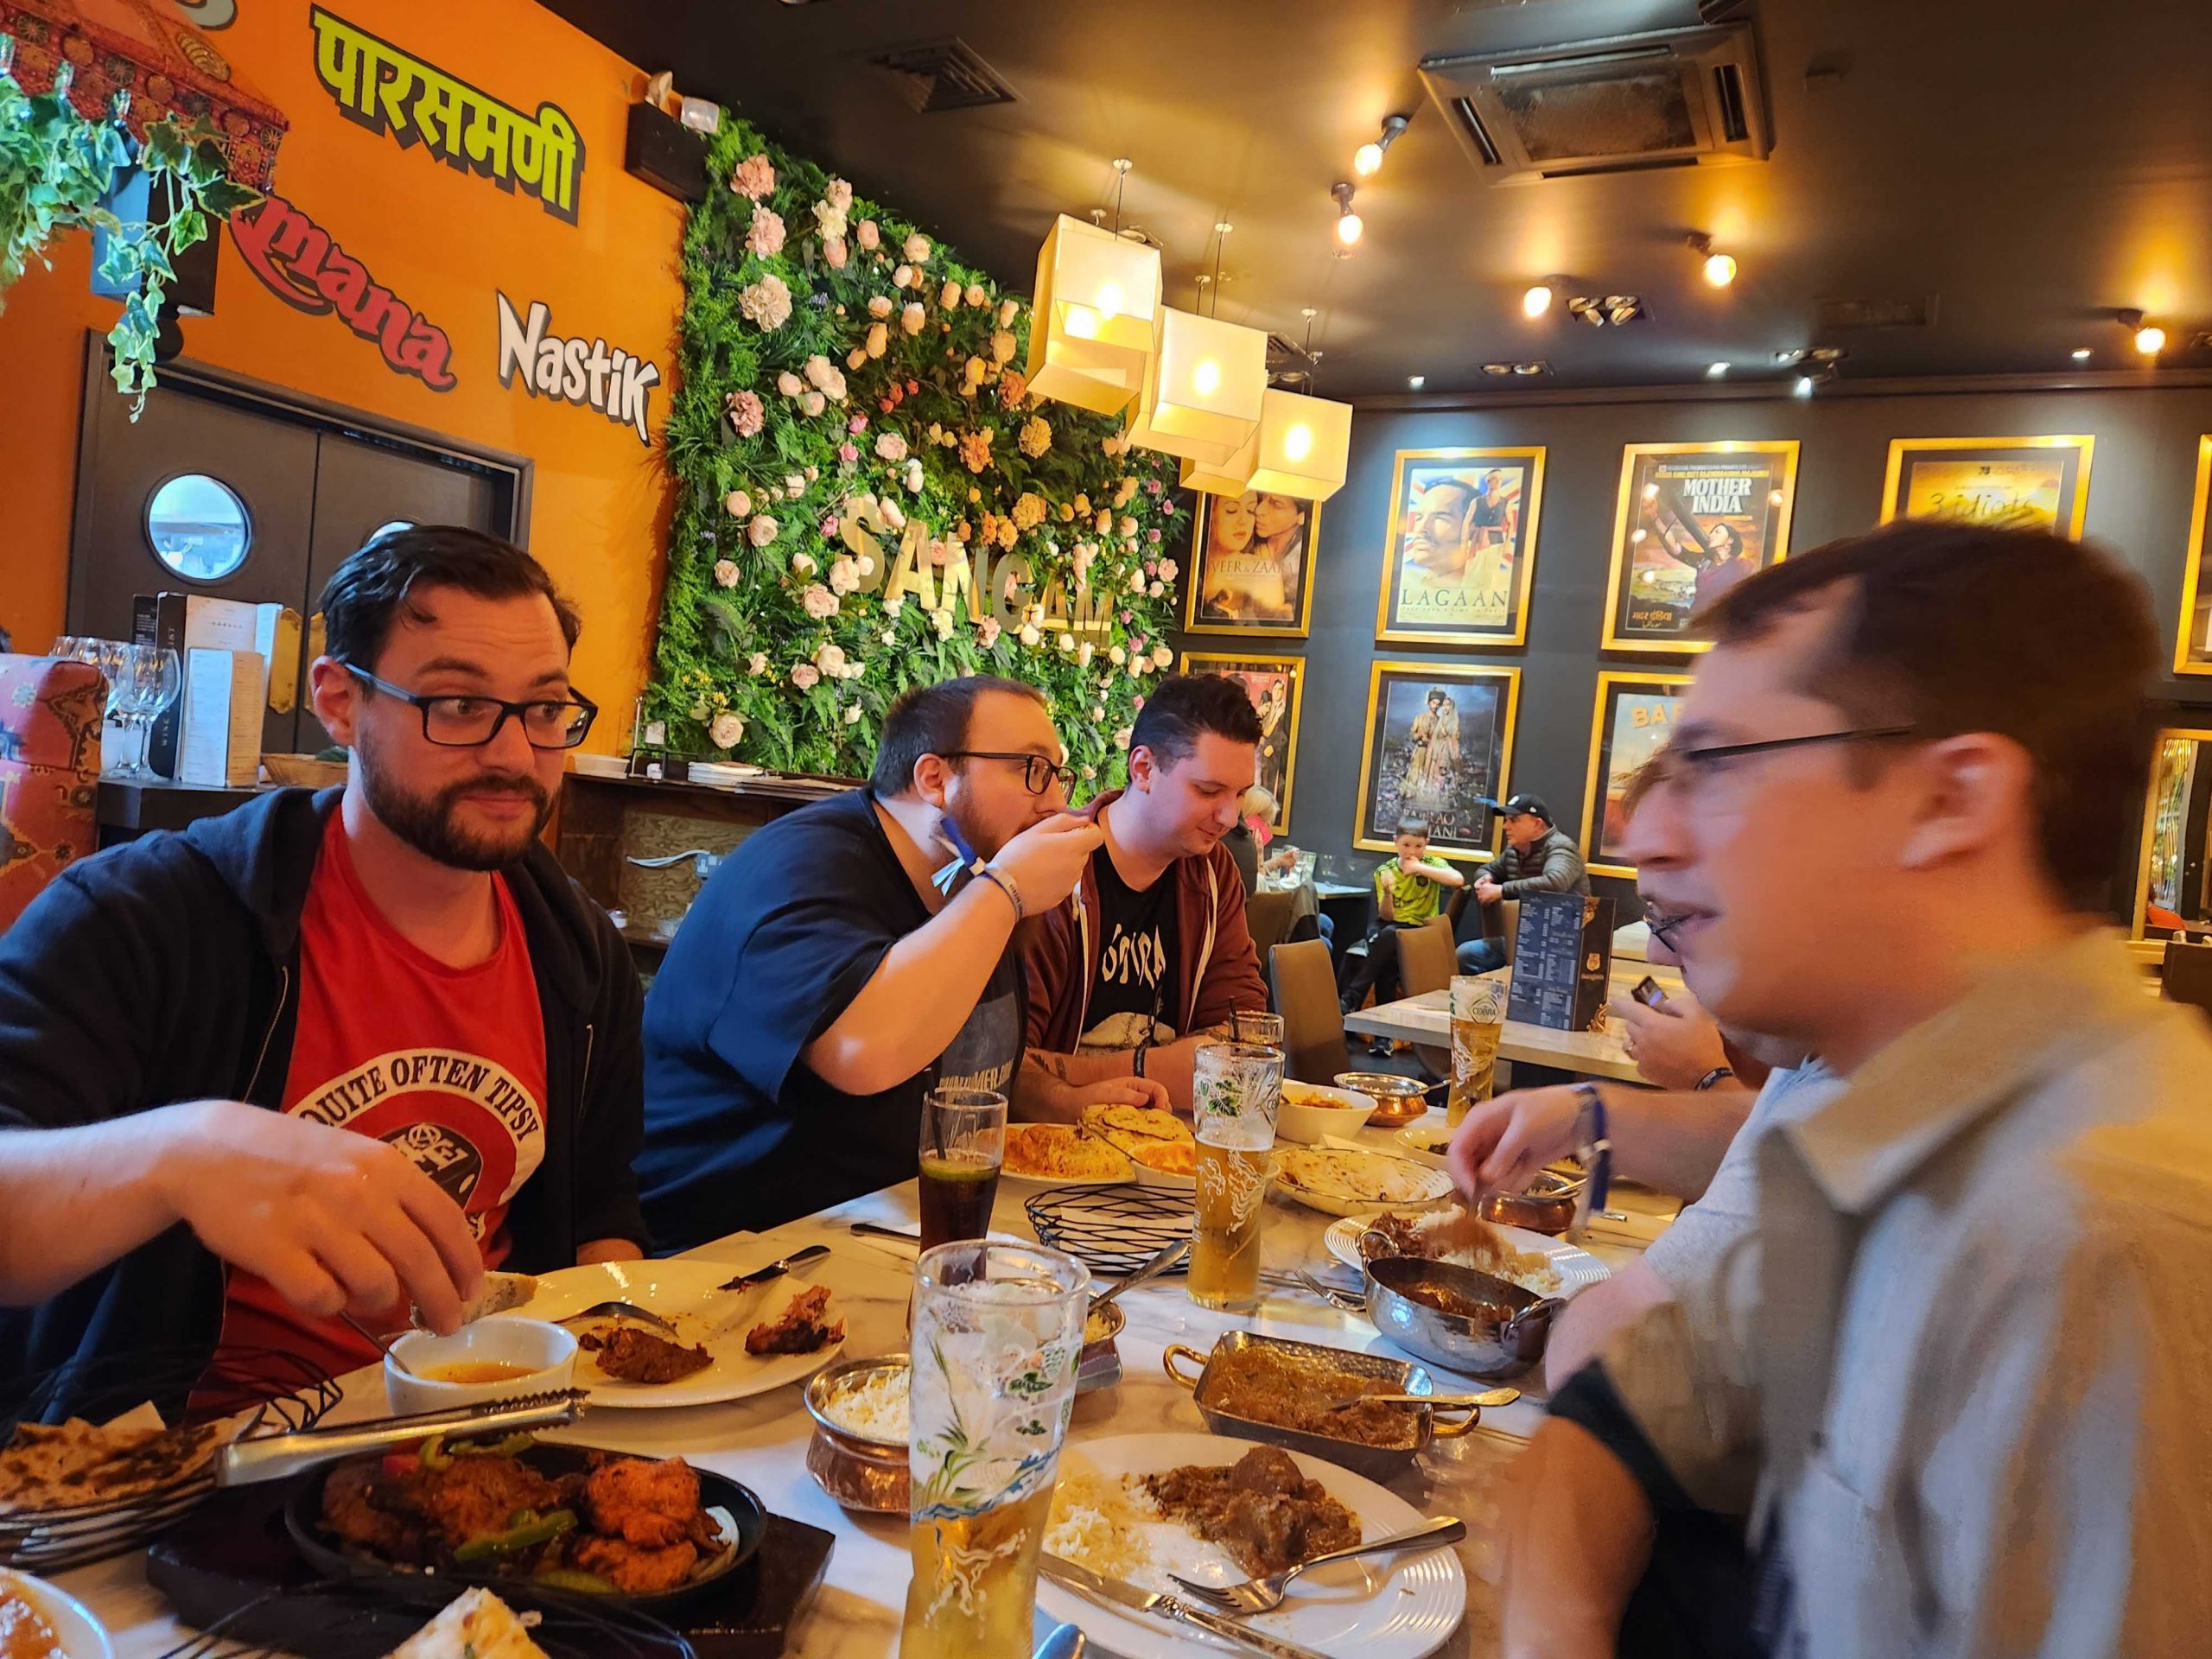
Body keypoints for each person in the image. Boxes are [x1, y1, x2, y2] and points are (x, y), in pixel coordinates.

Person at [1503, 521, 2212, 1658]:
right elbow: (1627, 1404)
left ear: (1951, 799)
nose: (1645, 828)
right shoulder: (1896, 1115)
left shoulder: (2098, 1242)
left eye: (1715, 765)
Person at [0, 526, 647, 1395]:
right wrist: (184, 1155)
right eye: (458, 704)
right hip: (195, 1452)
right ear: (340, 702)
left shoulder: (580, 953)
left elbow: (601, 1211)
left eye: (543, 710)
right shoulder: (148, 918)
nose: (513, 754)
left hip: (479, 1423)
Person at [639, 677, 1153, 1246]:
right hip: (719, 1255)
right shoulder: (804, 868)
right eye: (1031, 768)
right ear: (934, 778)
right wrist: (1005, 890)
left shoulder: (968, 882)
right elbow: (863, 1053)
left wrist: (1063, 1104)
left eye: (1059, 774)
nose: (1056, 801)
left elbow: (963, 1077)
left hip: (888, 1237)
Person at [1019, 674, 1268, 1116]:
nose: (1230, 817)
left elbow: (1244, 1034)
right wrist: (1148, 1068)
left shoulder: (1214, 874)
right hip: (1053, 1143)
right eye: (1209, 791)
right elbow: (1006, 1070)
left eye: (1240, 794)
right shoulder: (1052, 868)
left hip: (1166, 1141)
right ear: (1144, 769)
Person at [1338, 817, 1465, 1023]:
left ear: (1426, 844)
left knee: (1389, 937)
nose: (1412, 852)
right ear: (1395, 842)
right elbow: (1387, 916)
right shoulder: (1385, 870)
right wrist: (1388, 892)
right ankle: (1383, 1031)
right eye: (1406, 845)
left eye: (1418, 846)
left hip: (1421, 929)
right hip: (1392, 926)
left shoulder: (1432, 864)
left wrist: (1418, 868)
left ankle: (1351, 997)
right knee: (1388, 955)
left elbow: (1458, 880)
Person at [1455, 793, 1589, 970]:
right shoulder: (1514, 850)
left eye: (1514, 820)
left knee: (1469, 953)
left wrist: (1501, 890)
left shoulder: (1561, 846)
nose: (1505, 826)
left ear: (1537, 824)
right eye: (1506, 820)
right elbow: (1486, 869)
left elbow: (1555, 883)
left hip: (1562, 941)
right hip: (1524, 936)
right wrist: (1486, 879)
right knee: (1465, 954)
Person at [1402, 688, 1459, 809]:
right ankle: (1410, 804)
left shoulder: (1440, 721)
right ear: (1429, 702)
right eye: (1433, 703)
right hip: (1420, 753)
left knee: (1430, 780)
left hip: (1433, 754)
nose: (1435, 706)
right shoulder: (1420, 717)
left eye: (1438, 704)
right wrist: (1419, 736)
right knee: (1416, 778)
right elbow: (1412, 736)